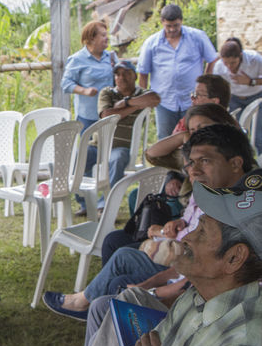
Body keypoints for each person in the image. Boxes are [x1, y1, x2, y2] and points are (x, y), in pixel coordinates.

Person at [42, 124, 255, 321]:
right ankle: (101, 317)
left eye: (205, 161)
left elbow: (199, 282)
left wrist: (151, 292)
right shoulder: (215, 197)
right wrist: (147, 286)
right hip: (188, 284)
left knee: (113, 294)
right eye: (191, 162)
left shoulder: (245, 213)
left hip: (213, 313)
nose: (194, 170)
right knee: (114, 272)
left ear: (236, 163)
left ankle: (96, 313)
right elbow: (189, 265)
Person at [81, 169, 262, 346]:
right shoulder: (197, 297)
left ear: (234, 258)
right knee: (128, 298)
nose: (186, 238)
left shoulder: (244, 345)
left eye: (201, 232)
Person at [101, 103, 239, 265]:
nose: (197, 135)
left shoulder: (229, 169)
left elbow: (206, 234)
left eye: (203, 128)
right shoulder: (193, 154)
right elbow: (152, 154)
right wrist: (183, 137)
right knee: (114, 239)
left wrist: (161, 232)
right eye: (193, 130)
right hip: (183, 222)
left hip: (190, 247)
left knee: (124, 256)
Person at [84, 60, 160, 211]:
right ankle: (82, 202)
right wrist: (134, 107)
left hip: (121, 148)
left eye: (126, 73)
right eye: (118, 74)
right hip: (98, 146)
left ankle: (105, 204)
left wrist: (127, 101)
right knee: (79, 155)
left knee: (117, 159)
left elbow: (155, 99)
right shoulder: (107, 92)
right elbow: (106, 115)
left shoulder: (141, 93)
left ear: (135, 76)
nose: (121, 77)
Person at [137, 4, 217, 140]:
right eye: (169, 26)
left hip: (192, 100)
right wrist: (143, 101)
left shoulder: (197, 37)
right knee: (165, 139)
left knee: (196, 137)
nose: (172, 29)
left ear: (181, 21)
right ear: (162, 22)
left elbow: (212, 59)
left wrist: (204, 84)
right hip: (164, 101)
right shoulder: (151, 43)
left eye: (176, 25)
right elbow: (143, 73)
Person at [61, 20, 115, 132]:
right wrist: (84, 91)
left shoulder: (111, 57)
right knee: (88, 149)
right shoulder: (77, 59)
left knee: (108, 148)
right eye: (103, 35)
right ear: (91, 38)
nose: (107, 38)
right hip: (87, 117)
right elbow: (65, 84)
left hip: (108, 113)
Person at [214, 37, 262, 153]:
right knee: (238, 134)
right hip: (234, 99)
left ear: (240, 56)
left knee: (258, 135)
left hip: (257, 96)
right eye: (226, 63)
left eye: (233, 62)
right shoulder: (219, 66)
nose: (229, 66)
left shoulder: (255, 59)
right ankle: (243, 161)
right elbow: (218, 88)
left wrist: (251, 81)